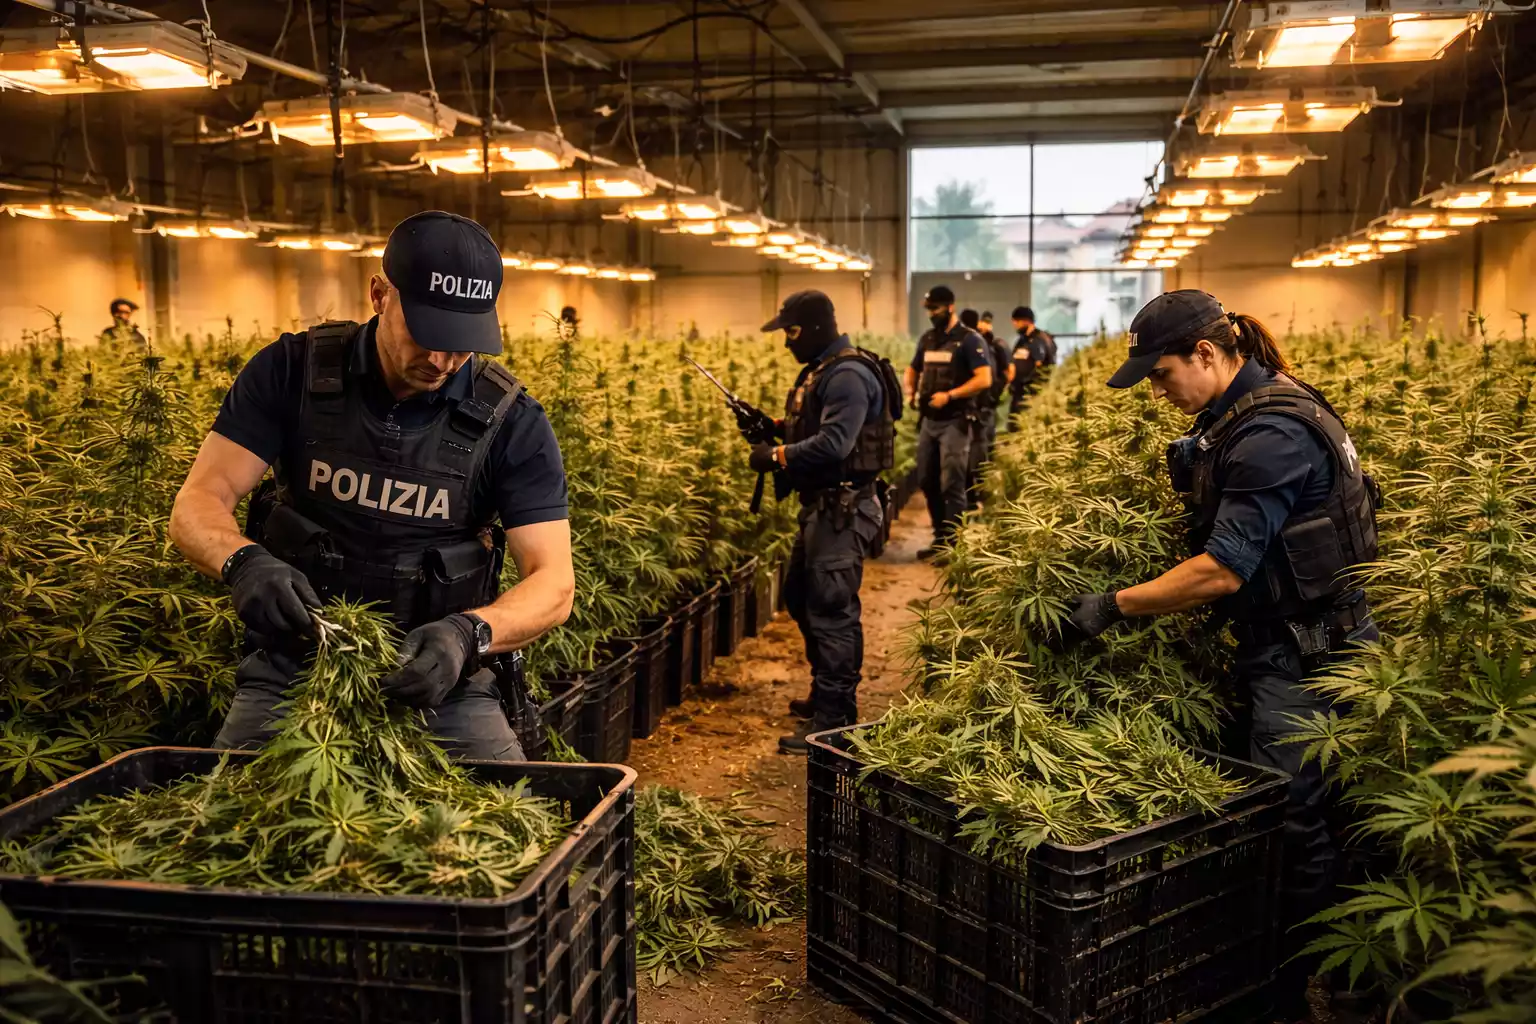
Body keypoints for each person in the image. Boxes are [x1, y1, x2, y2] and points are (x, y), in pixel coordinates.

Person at [1062, 289, 1379, 1024]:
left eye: (1161, 374)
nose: (1157, 390)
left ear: (1206, 354)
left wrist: (1112, 606)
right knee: (1320, 816)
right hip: (1303, 640)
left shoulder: (1271, 435)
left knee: (1296, 823)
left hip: (1309, 657)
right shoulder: (1257, 407)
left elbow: (1223, 570)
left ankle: (1294, 990)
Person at [169, 210, 575, 761]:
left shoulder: (512, 421)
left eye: (460, 343)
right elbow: (199, 500)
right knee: (231, 824)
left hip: (444, 686)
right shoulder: (290, 372)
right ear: (379, 294)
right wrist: (243, 562)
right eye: (426, 334)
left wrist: (469, 635)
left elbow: (553, 582)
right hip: (295, 668)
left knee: (508, 833)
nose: (440, 360)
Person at [740, 290, 898, 753]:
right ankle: (823, 694)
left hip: (843, 510)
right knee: (799, 596)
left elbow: (835, 444)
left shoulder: (847, 374)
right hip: (824, 508)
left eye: (789, 332)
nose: (786, 343)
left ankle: (834, 723)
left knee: (832, 610)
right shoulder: (825, 371)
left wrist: (777, 454)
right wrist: (771, 426)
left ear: (810, 328)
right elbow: (815, 427)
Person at [904, 285, 992, 558]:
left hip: (956, 420)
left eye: (936, 309)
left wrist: (950, 395)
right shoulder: (928, 339)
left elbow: (984, 379)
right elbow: (913, 368)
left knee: (951, 482)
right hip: (930, 421)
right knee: (927, 479)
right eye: (929, 309)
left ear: (950, 307)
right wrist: (911, 391)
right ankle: (939, 539)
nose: (931, 314)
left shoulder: (969, 340)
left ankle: (954, 546)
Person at [1008, 305, 1056, 423]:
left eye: (1016, 321)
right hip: (1019, 392)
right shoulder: (1022, 340)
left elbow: (1039, 365)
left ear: (1026, 321)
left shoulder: (1038, 339)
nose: (1014, 325)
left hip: (1032, 395)